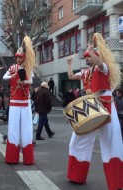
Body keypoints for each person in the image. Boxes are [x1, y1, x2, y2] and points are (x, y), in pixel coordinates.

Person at [66, 33, 123, 190]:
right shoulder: (85, 72)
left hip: (106, 108)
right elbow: (71, 75)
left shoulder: (103, 68)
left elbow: (98, 63)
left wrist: (91, 48)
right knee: (77, 141)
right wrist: (69, 64)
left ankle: (116, 183)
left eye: (89, 56)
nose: (87, 58)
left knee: (111, 144)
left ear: (96, 56)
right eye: (85, 56)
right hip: (89, 108)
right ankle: (77, 176)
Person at [2, 36, 35, 165]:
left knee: (27, 129)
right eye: (17, 57)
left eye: (20, 57)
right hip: (15, 102)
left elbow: (31, 81)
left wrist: (24, 81)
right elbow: (5, 77)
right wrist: (14, 75)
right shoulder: (12, 68)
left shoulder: (28, 68)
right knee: (13, 128)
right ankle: (12, 157)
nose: (18, 59)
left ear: (24, 58)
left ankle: (28, 158)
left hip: (25, 101)